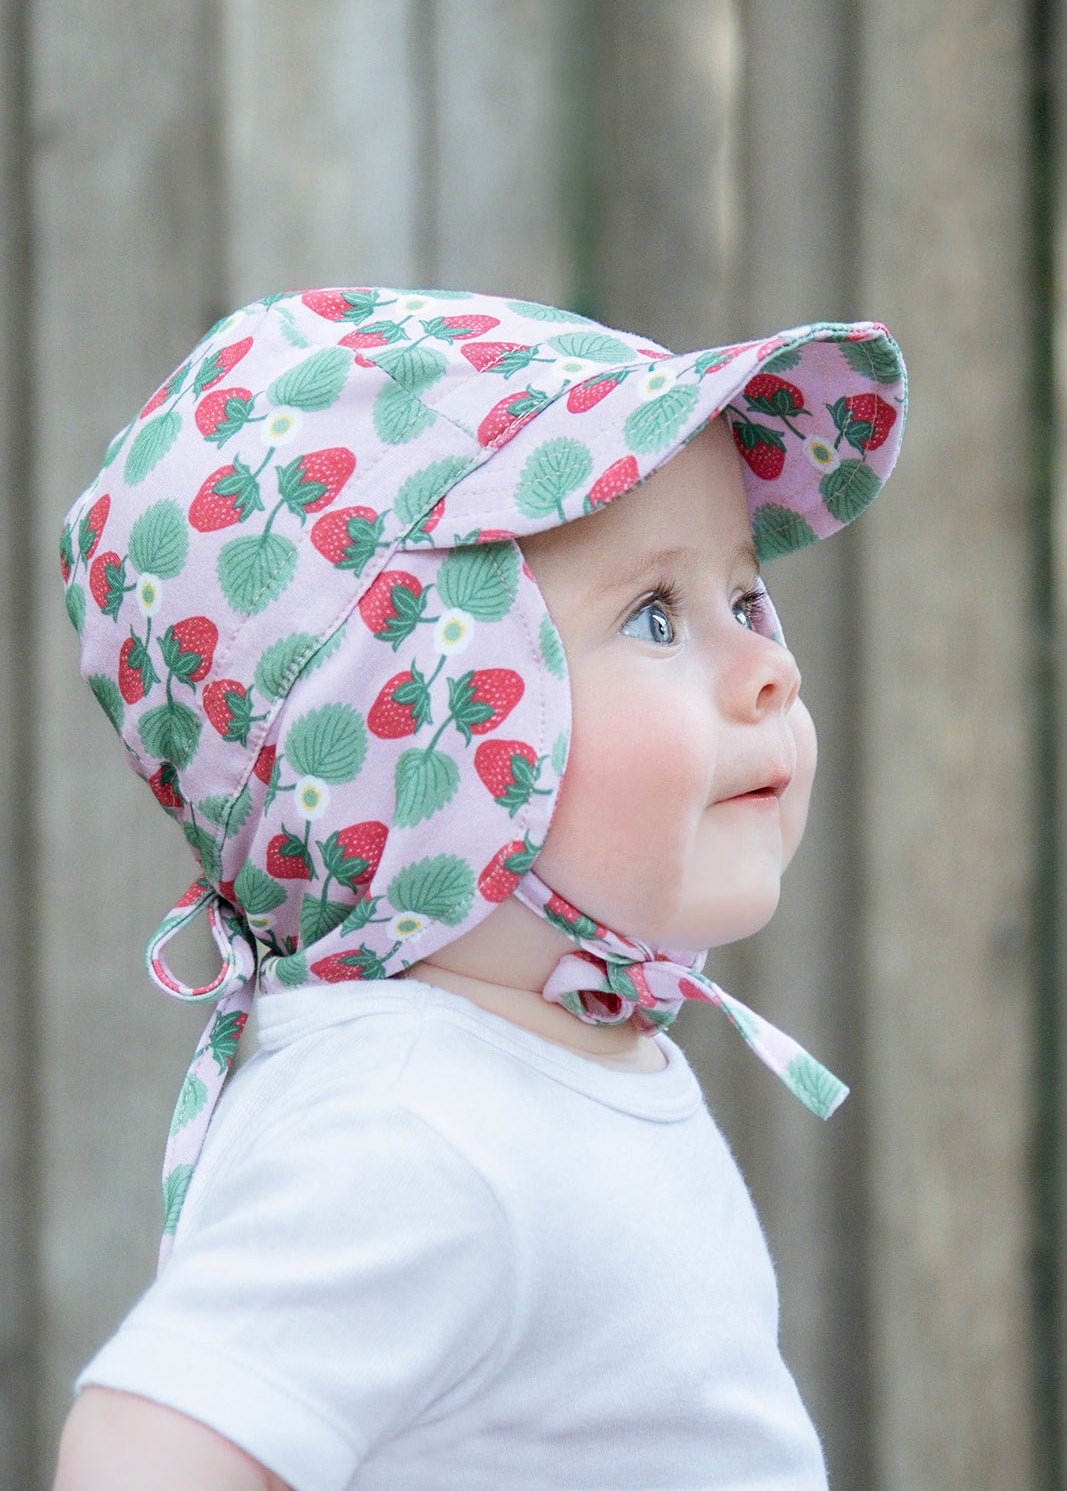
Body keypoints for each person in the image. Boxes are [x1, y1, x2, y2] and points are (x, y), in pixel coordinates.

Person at [53, 286, 906, 1491]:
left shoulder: (507, 1075)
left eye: (742, 594)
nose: (771, 666)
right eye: (654, 616)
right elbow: (136, 1455)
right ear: (421, 742)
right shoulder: (410, 1131)